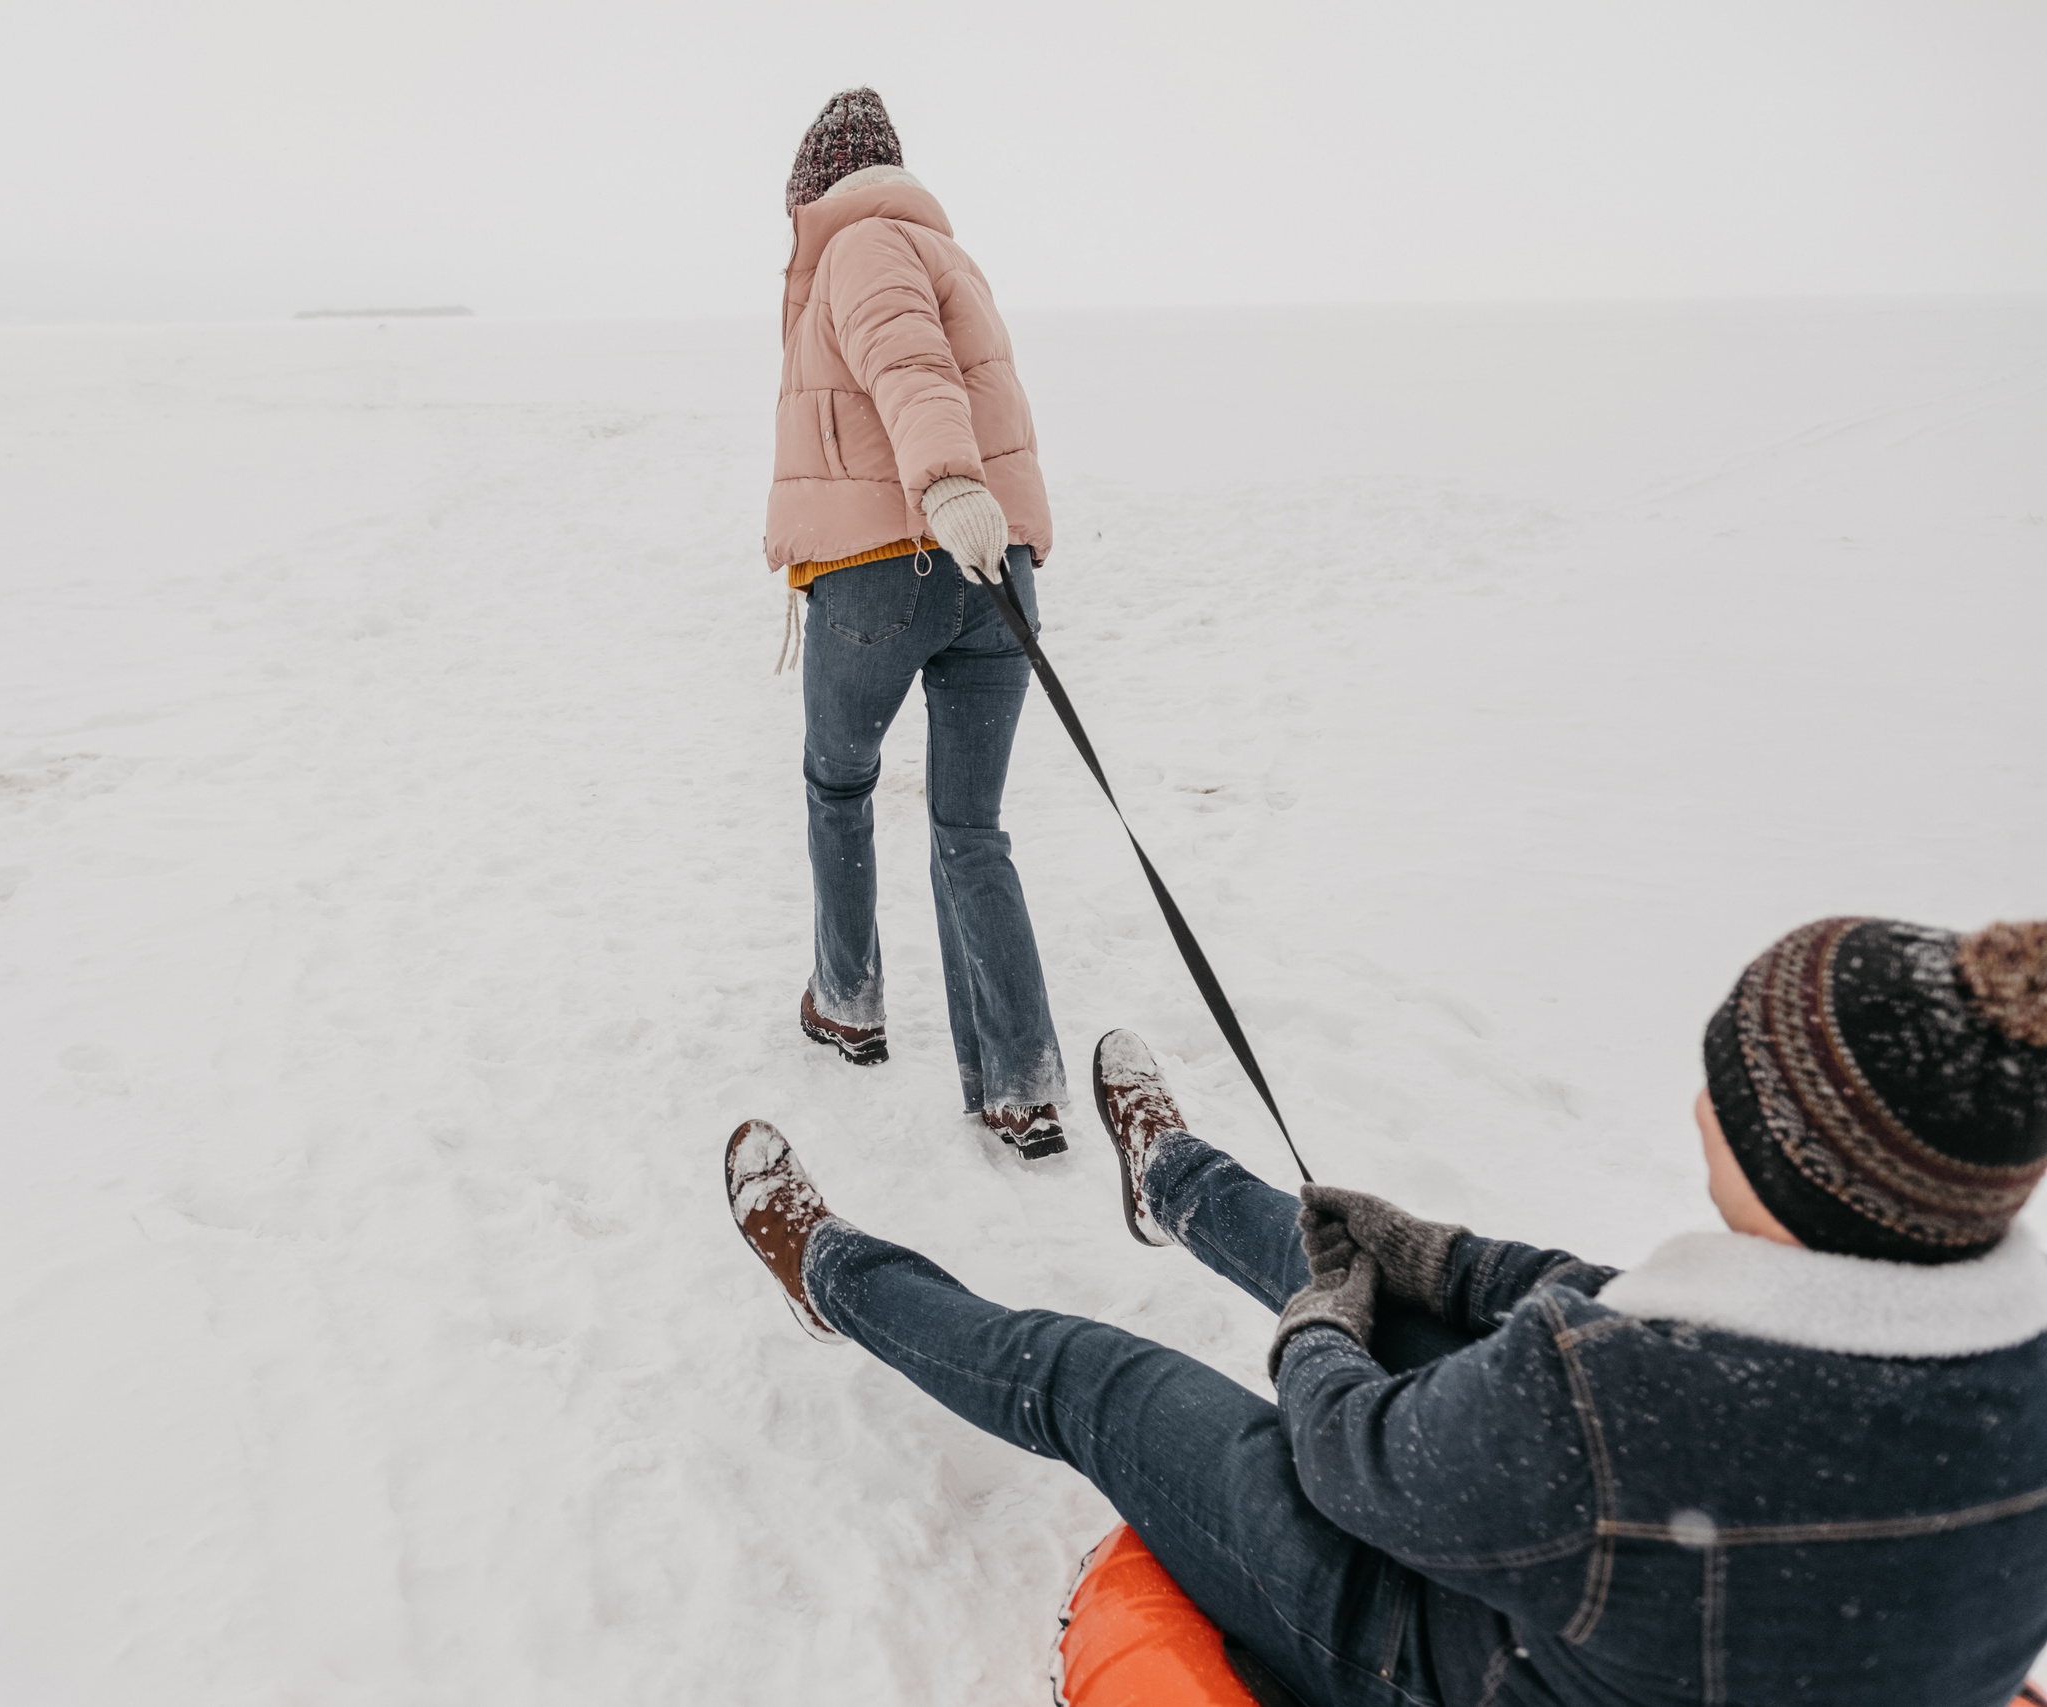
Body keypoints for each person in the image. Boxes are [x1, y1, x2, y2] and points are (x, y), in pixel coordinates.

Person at [725, 915, 2047, 1706]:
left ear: (1777, 1151)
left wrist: (1319, 1328)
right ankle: (1177, 1181)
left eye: (1724, 1079)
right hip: (1685, 1628)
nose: (1700, 1096)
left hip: (1443, 1663)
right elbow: (1640, 1327)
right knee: (1383, 1269)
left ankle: (832, 1275)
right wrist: (1444, 1257)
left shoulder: (1620, 1404)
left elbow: (1347, 1454)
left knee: (1098, 1379)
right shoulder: (2005, 1360)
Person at [766, 88, 1068, 1157]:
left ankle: (847, 1001)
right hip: (998, 571)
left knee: (836, 783)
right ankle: (1020, 1083)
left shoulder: (860, 246)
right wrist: (976, 509)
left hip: (890, 565)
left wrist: (940, 483)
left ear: (817, 184)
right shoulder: (950, 255)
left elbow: (911, 368)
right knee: (969, 829)